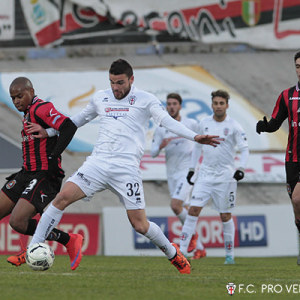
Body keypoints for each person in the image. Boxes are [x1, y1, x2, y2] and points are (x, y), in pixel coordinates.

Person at [27, 59, 221, 274]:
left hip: (126, 169)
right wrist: (50, 132)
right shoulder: (101, 97)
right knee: (61, 198)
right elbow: (77, 120)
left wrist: (195, 137)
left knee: (140, 225)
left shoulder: (146, 100)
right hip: (98, 163)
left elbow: (167, 121)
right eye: (112, 82)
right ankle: (33, 247)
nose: (115, 88)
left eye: (120, 82)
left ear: (131, 79)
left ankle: (173, 254)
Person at [0, 77, 83, 270]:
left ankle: (67, 240)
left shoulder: (41, 108)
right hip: (26, 173)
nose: (16, 101)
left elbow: (68, 126)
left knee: (18, 222)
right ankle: (58, 241)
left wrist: (54, 156)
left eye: (20, 96)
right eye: (13, 98)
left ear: (31, 91)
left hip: (45, 175)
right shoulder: (28, 113)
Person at [180, 89, 249, 264]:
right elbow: (196, 147)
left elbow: (244, 148)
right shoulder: (203, 123)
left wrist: (240, 168)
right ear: (211, 105)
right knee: (193, 210)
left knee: (225, 215)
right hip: (205, 175)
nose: (218, 106)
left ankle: (229, 256)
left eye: (221, 103)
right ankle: (181, 253)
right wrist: (191, 169)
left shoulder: (234, 126)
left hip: (226, 176)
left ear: (227, 105)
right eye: (215, 103)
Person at [256, 50, 300, 265]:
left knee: (298, 198)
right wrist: (264, 126)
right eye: (298, 66)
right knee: (296, 205)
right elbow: (275, 123)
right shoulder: (286, 95)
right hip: (292, 158)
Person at [151, 93, 206, 259]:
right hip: (172, 174)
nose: (171, 106)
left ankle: (193, 237)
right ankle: (200, 249)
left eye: (174, 103)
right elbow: (153, 153)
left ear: (180, 106)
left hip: (188, 172)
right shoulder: (161, 128)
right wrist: (161, 145)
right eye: (169, 104)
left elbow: (201, 140)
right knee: (184, 209)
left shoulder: (190, 123)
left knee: (175, 205)